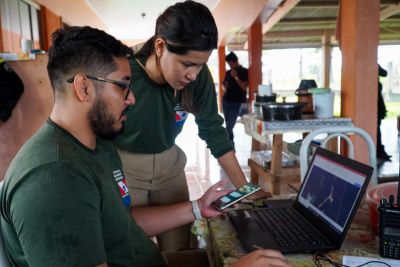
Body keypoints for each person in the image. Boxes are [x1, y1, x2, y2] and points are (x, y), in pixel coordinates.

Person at [0, 26, 291, 267]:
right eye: (123, 86)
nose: (132, 99)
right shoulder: (55, 181)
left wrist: (197, 207)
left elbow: (120, 224)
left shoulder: (96, 146)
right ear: (84, 87)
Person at [113, 0, 267, 252]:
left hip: (170, 167)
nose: (193, 75)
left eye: (200, 65)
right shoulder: (125, 72)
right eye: (187, 64)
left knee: (179, 248)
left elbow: (213, 130)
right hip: (125, 167)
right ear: (161, 46)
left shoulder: (198, 78)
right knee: (129, 246)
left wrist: (245, 189)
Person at [222, 51, 249, 143]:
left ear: (236, 61)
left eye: (231, 63)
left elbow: (244, 88)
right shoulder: (228, 72)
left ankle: (224, 143)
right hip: (226, 101)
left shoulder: (244, 71)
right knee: (228, 124)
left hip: (237, 102)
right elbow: (225, 87)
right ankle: (230, 144)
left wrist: (236, 77)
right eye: (228, 64)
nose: (230, 65)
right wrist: (224, 86)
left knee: (230, 126)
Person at [377, 64, 391, 161]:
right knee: (377, 130)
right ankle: (379, 151)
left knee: (377, 130)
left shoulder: (375, 65)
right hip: (375, 104)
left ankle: (380, 151)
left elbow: (384, 73)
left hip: (378, 105)